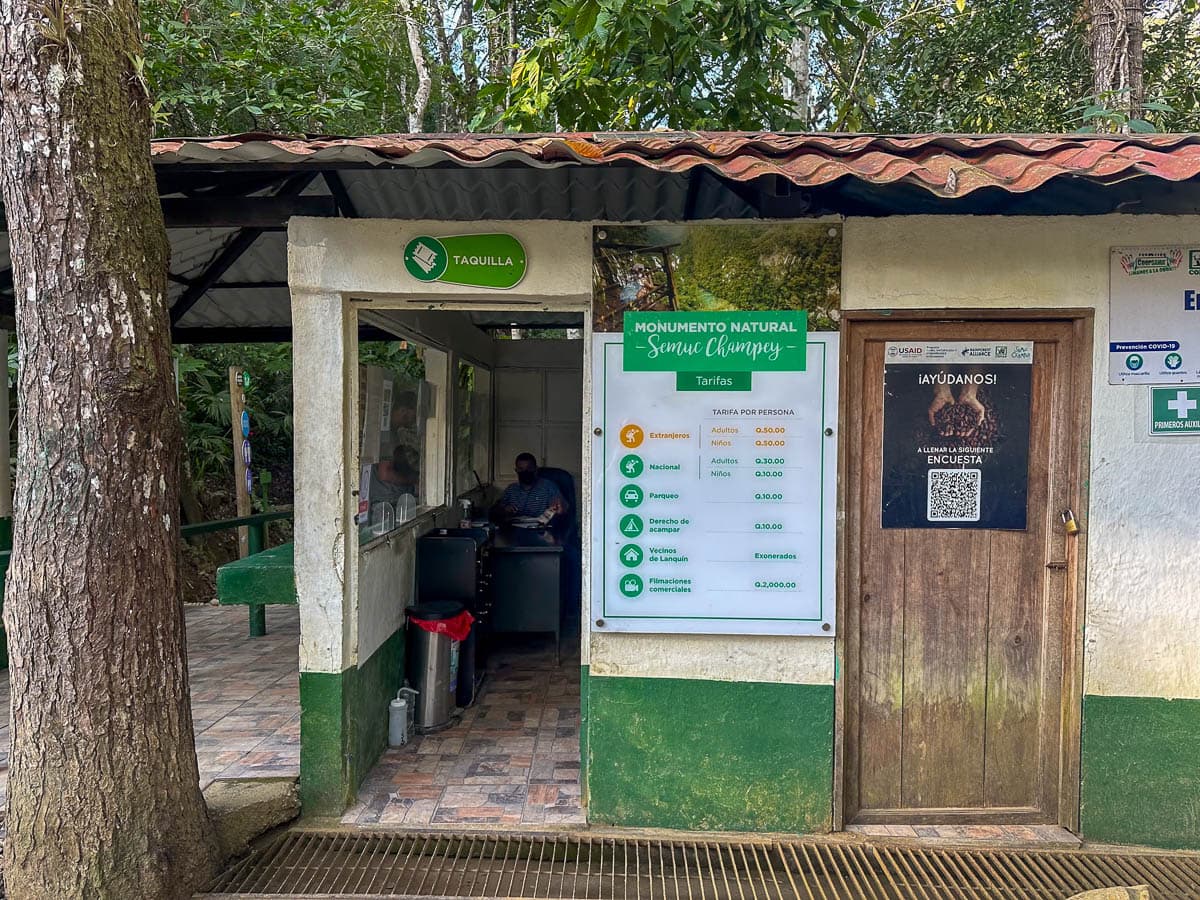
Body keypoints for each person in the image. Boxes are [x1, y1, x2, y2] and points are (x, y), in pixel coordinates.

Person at [491, 452, 565, 523]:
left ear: (536, 469)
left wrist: (559, 506)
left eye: (529, 468)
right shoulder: (511, 489)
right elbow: (496, 511)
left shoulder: (548, 487)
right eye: (521, 469)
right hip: (515, 532)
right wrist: (504, 510)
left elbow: (563, 507)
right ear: (516, 470)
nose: (525, 472)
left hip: (540, 531)